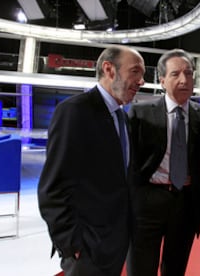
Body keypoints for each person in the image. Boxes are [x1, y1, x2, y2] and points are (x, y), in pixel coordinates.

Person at [37, 45, 145, 276]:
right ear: (109, 69)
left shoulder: (122, 117)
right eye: (135, 71)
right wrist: (71, 244)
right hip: (87, 249)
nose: (142, 81)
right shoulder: (74, 111)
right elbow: (53, 188)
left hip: (115, 243)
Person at [126, 48, 200, 276]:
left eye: (189, 73)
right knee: (140, 268)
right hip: (147, 201)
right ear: (162, 80)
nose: (184, 79)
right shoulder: (139, 113)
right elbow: (129, 163)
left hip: (186, 203)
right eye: (176, 74)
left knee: (175, 268)